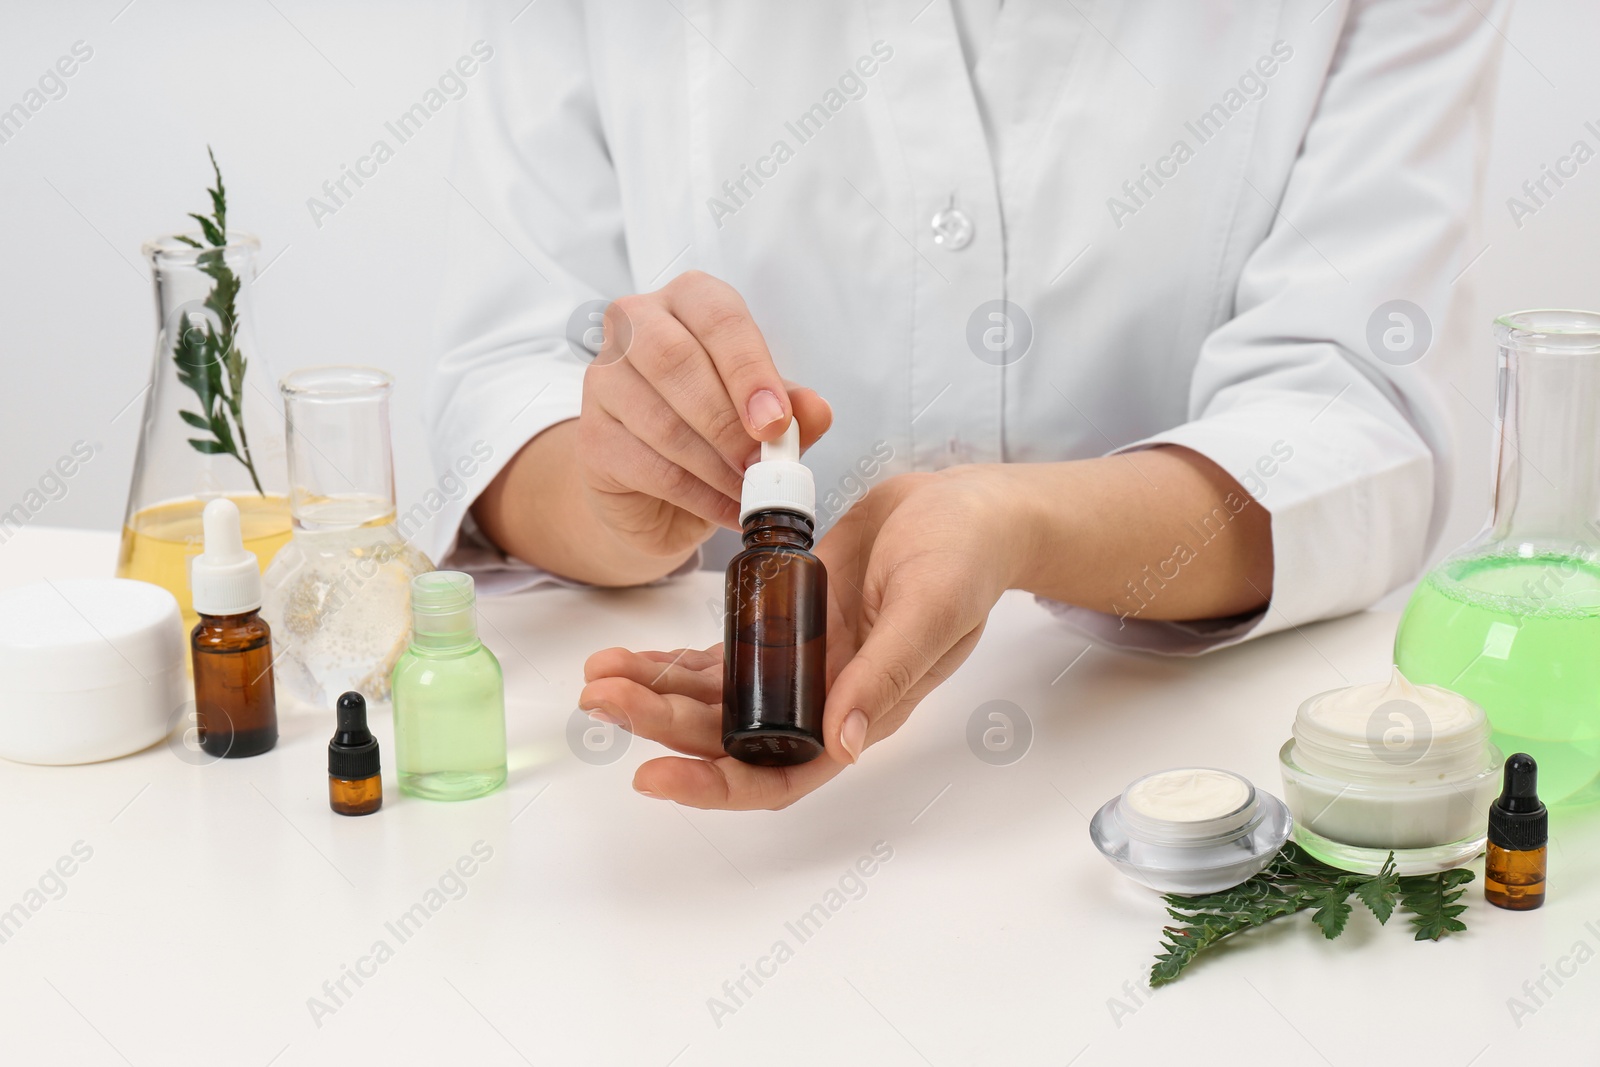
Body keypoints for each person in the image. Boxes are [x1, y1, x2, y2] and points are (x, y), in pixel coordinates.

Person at [427, 1, 1503, 810]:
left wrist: (1017, 523)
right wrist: (613, 487)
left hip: (1160, 770)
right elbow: (505, 384)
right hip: (667, 834)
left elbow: (1350, 411)